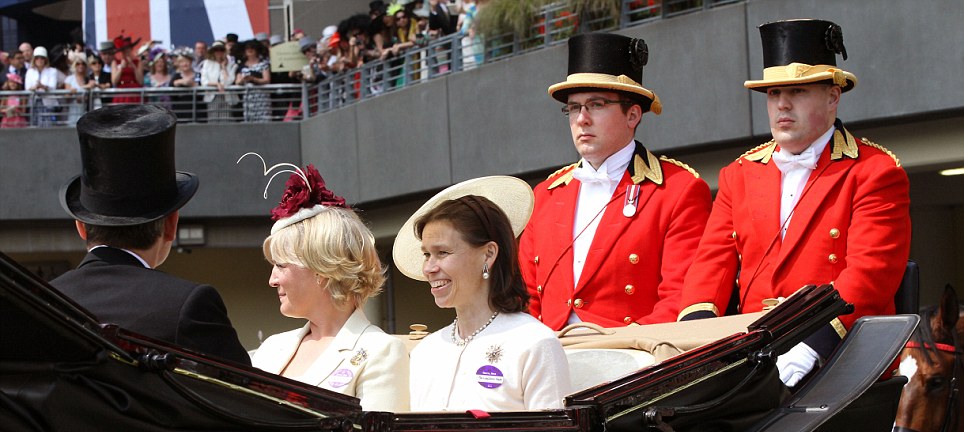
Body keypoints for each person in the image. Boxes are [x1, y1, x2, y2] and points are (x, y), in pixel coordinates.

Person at [678, 19, 911, 387]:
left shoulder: (875, 171)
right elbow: (711, 268)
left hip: (841, 353)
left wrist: (811, 344)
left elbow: (870, 276)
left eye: (798, 91)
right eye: (773, 94)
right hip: (754, 358)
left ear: (833, 96)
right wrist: (695, 345)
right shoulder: (738, 174)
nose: (782, 104)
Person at [519, 33, 711, 330]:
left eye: (596, 104)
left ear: (633, 114)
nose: (581, 118)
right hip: (550, 360)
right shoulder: (544, 195)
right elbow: (527, 302)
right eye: (573, 107)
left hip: (635, 362)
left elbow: (679, 299)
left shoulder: (679, 190)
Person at [51, 104, 250, 365]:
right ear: (171, 226)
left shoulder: (45, 303)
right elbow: (244, 398)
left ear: (81, 227)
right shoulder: (189, 305)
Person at [393, 176, 572, 411]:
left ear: (488, 254)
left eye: (443, 252)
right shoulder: (425, 352)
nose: (429, 268)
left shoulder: (535, 343)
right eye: (427, 254)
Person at [251, 163, 409, 412]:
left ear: (322, 269)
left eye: (281, 265)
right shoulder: (272, 347)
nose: (272, 280)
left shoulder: (381, 351)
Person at [24, 46, 63, 126]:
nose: (39, 60)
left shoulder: (52, 71)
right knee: (34, 124)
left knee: (49, 124)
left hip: (48, 103)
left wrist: (42, 86)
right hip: (34, 103)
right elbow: (27, 87)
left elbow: (52, 86)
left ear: (45, 59)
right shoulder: (30, 72)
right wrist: (34, 87)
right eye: (37, 58)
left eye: (42, 58)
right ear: (34, 59)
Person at [200, 40, 237, 123]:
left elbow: (230, 81)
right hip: (212, 97)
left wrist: (224, 67)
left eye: (221, 50)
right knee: (213, 121)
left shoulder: (232, 65)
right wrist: (217, 84)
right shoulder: (207, 63)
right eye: (216, 50)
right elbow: (204, 81)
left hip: (226, 97)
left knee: (227, 121)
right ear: (213, 52)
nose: (219, 52)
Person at [235, 39, 271, 122]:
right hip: (248, 98)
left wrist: (253, 79)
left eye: (252, 48)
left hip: (261, 97)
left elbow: (267, 79)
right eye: (247, 48)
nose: (249, 50)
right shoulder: (242, 66)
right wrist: (242, 81)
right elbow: (237, 81)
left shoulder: (263, 64)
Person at [110, 35, 144, 103]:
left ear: (131, 49)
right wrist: (121, 68)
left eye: (127, 49)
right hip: (121, 92)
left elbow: (141, 81)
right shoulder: (115, 63)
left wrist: (133, 66)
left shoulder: (138, 62)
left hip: (134, 91)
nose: (126, 52)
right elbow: (114, 81)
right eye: (123, 50)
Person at [63, 57, 94, 125]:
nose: (81, 66)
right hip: (73, 110)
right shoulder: (69, 79)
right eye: (78, 64)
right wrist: (72, 94)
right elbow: (66, 96)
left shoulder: (88, 78)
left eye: (83, 64)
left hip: (86, 110)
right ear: (74, 65)